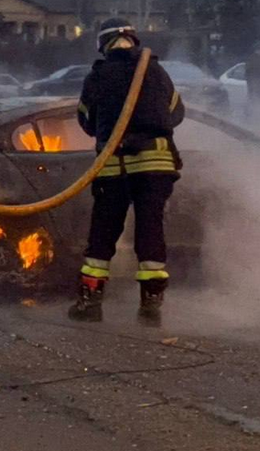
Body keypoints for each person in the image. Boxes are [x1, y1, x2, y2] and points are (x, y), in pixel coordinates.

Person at [70, 19, 185, 323]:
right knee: (151, 228)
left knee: (104, 231)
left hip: (114, 164)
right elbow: (176, 113)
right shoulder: (156, 71)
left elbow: (86, 121)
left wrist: (116, 127)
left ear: (103, 44)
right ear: (133, 40)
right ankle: (151, 304)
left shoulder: (98, 76)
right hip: (156, 164)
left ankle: (90, 301)